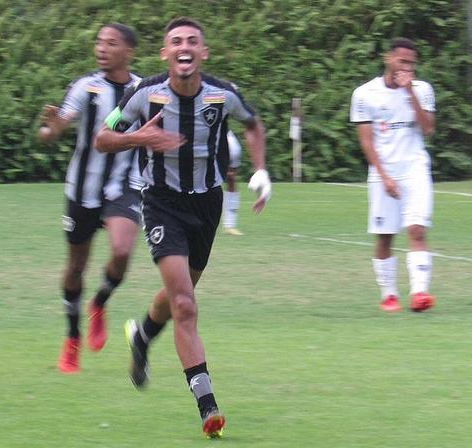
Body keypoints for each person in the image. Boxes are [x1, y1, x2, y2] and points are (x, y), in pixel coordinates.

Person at [94, 17, 271, 438]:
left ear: (203, 53)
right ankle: (207, 405)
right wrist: (140, 139)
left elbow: (253, 124)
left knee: (181, 294)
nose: (184, 47)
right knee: (186, 306)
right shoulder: (145, 95)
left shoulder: (222, 95)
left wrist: (262, 171)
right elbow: (104, 138)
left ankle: (142, 335)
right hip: (161, 203)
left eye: (192, 41)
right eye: (175, 41)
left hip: (206, 205)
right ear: (165, 54)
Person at [37, 23, 143, 374]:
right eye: (98, 41)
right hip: (83, 191)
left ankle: (99, 302)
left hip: (123, 186)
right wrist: (51, 127)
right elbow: (59, 125)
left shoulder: (142, 89)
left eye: (110, 43)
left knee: (123, 251)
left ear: (128, 51)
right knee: (76, 266)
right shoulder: (88, 86)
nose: (101, 48)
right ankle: (72, 337)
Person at [350, 37, 436, 313]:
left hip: (415, 169)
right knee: (385, 236)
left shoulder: (422, 90)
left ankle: (420, 293)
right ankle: (389, 294)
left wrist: (409, 93)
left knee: (417, 229)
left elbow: (428, 129)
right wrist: (384, 176)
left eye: (411, 63)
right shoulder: (365, 94)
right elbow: (366, 141)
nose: (406, 67)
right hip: (383, 171)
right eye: (402, 61)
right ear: (389, 59)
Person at [222, 130, 243, 235]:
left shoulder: (233, 147)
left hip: (227, 145)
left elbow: (232, 176)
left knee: (231, 180)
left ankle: (230, 224)